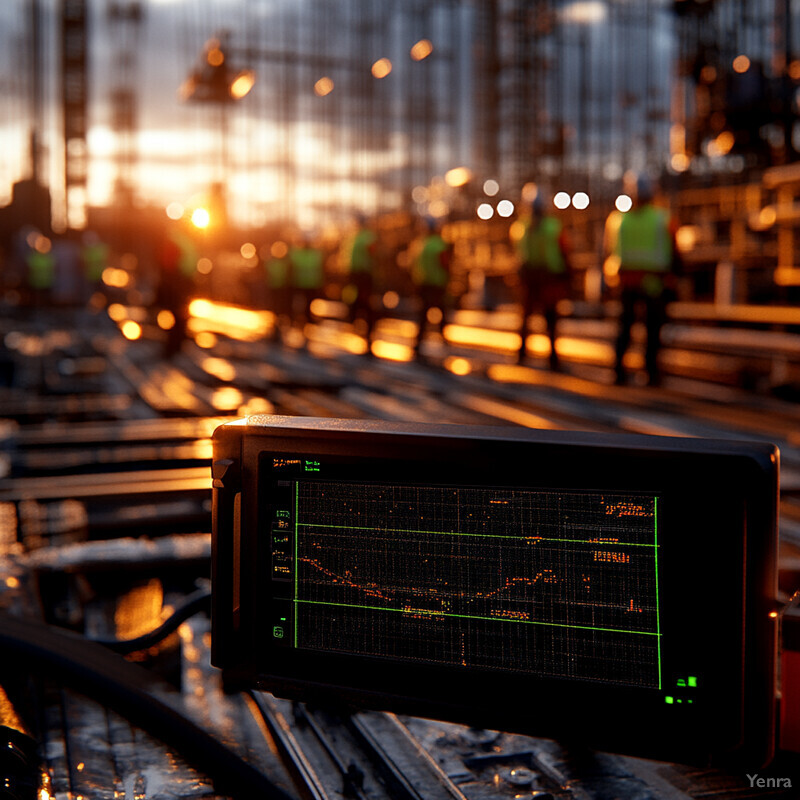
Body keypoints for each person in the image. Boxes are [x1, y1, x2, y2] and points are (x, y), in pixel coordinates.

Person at [606, 174, 680, 386]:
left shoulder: (618, 220)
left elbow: (608, 252)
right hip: (653, 282)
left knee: (625, 328)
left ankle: (618, 372)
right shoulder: (663, 219)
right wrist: (675, 277)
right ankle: (651, 373)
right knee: (653, 329)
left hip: (626, 281)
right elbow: (675, 251)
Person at [512, 192, 572, 368]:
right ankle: (553, 359)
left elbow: (519, 253)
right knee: (551, 319)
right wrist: (567, 274)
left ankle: (521, 355)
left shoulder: (520, 227)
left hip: (530, 278)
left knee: (526, 318)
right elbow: (564, 249)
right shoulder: (553, 226)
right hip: (549, 277)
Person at [411, 217, 452, 358]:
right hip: (437, 283)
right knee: (441, 311)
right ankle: (444, 339)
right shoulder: (438, 244)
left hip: (422, 283)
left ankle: (418, 342)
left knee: (423, 314)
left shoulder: (420, 244)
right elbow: (444, 263)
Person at [342, 215, 378, 342]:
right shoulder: (360, 237)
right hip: (358, 274)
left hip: (361, 274)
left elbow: (373, 253)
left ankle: (364, 324)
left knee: (362, 300)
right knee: (356, 299)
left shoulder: (359, 237)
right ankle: (357, 321)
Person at [289, 234, 325, 337]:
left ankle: (306, 321)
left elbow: (319, 270)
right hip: (301, 283)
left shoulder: (311, 254)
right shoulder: (299, 254)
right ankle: (300, 320)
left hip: (310, 284)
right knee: (301, 304)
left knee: (308, 304)